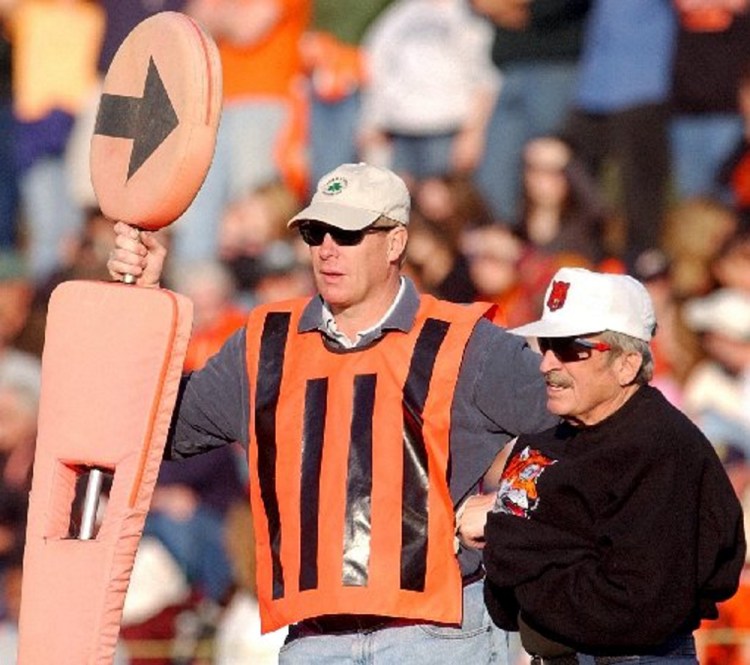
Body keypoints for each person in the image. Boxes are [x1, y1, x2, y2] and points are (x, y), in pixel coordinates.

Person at [107, 162, 557, 664]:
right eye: (315, 232)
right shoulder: (264, 343)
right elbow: (153, 427)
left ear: (395, 243)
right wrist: (140, 301)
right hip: (314, 640)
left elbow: (579, 424)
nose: (326, 248)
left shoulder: (463, 341)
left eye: (346, 233)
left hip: (437, 635)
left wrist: (508, 503)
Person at [457, 266, 746, 664]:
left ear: (627, 364)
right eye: (546, 344)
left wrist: (511, 536)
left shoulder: (661, 447)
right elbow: (504, 601)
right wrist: (538, 544)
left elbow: (631, 607)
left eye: (571, 348)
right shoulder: (547, 435)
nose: (548, 364)